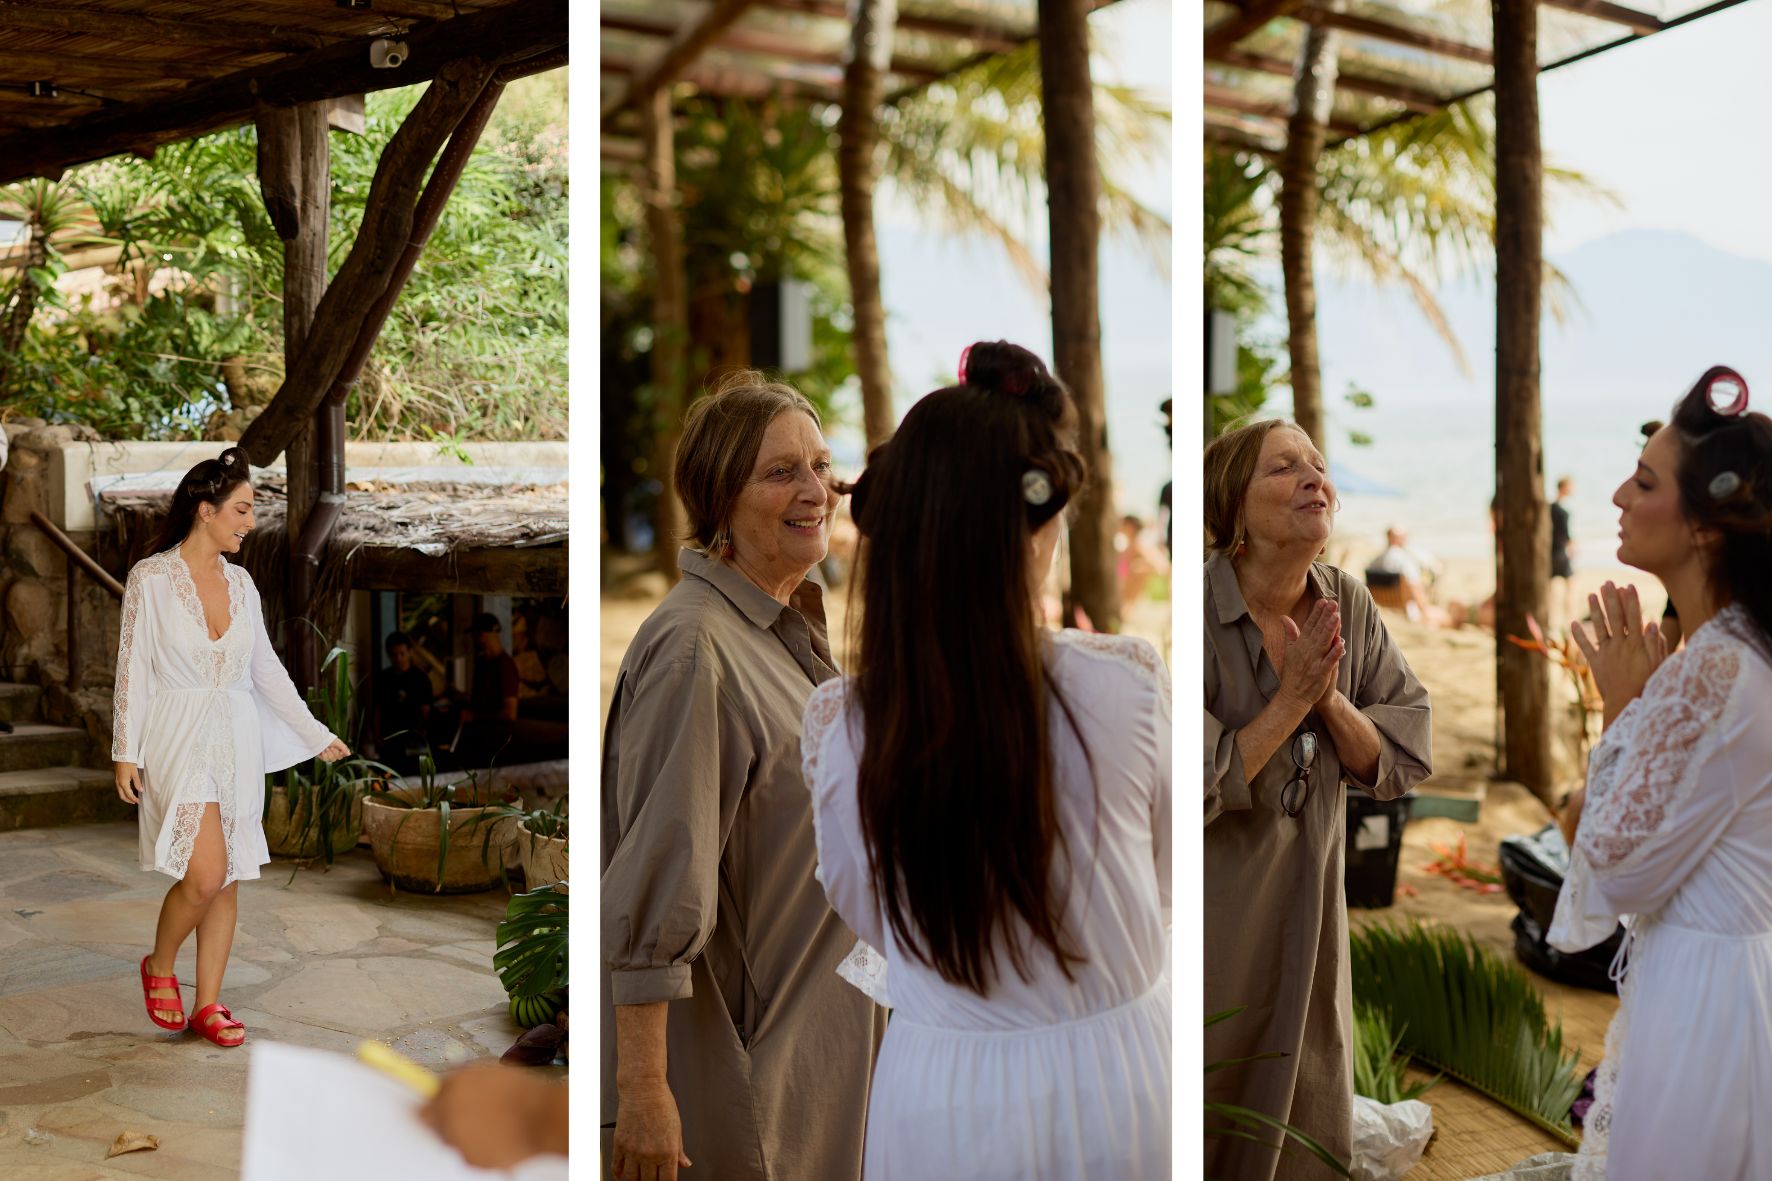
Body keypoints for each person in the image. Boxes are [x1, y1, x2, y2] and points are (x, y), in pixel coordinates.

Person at [802, 342, 1171, 1179]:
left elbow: (871, 914)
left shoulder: (846, 728)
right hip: (1122, 1080)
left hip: (943, 1094)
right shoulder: (1129, 686)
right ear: (1034, 530)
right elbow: (1162, 879)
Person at [600, 371, 887, 1181]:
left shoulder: (786, 630)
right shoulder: (697, 649)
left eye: (821, 466)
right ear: (720, 498)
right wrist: (644, 1088)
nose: (816, 489)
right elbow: (657, 885)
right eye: (780, 472)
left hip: (825, 1066)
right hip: (751, 1096)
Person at [1551, 365, 1772, 1180]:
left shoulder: (1713, 673)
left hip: (1705, 1009)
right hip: (1736, 981)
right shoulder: (1745, 652)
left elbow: (1611, 866)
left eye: (1644, 481)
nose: (1617, 494)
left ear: (1707, 527)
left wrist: (1623, 705)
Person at [1203, 418, 1432, 1180]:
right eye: (1284, 467)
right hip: (1217, 919)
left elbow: (1401, 752)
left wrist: (1328, 702)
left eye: (1319, 465)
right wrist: (1289, 701)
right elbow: (1185, 782)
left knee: (1308, 1095)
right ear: (1235, 506)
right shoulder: (1198, 613)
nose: (1314, 479)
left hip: (1312, 911)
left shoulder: (1347, 602)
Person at [113, 447, 347, 1048]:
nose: (250, 521)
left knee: (230, 872)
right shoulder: (152, 579)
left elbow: (265, 670)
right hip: (177, 734)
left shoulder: (242, 584)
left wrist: (314, 734)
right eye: (242, 509)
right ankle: (160, 964)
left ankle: (209, 1004)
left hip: (235, 738)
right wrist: (124, 749)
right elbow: (133, 671)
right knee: (205, 871)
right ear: (205, 509)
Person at [455, 613, 518, 768]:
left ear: (482, 635)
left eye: (475, 635)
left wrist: (475, 716)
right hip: (479, 740)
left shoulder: (505, 666)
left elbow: (510, 713)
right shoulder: (482, 663)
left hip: (497, 744)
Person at [373, 630, 433, 772]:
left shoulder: (420, 678)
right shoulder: (383, 678)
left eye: (402, 654)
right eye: (394, 655)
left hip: (412, 740)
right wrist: (376, 736)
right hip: (389, 738)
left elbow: (425, 710)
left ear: (409, 652)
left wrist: (420, 735)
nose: (398, 659)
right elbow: (377, 708)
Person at [1551, 475, 1577, 629]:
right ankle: (1570, 619)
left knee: (1550, 589)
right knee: (1570, 587)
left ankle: (1553, 620)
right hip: (1560, 553)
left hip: (1549, 554)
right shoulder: (1563, 512)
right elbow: (1566, 535)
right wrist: (1572, 547)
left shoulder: (1549, 508)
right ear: (1564, 488)